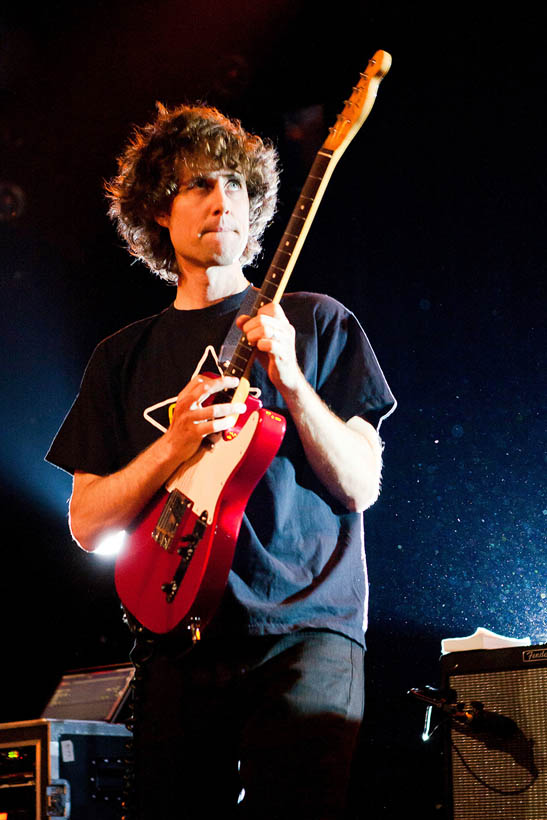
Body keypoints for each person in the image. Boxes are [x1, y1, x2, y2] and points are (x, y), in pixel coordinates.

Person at [46, 102, 395, 819]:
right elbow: (86, 520)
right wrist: (173, 444)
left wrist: (293, 382)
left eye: (233, 184)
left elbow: (361, 484)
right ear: (156, 212)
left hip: (305, 630)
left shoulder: (316, 321)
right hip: (175, 637)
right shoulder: (122, 357)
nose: (220, 200)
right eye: (196, 185)